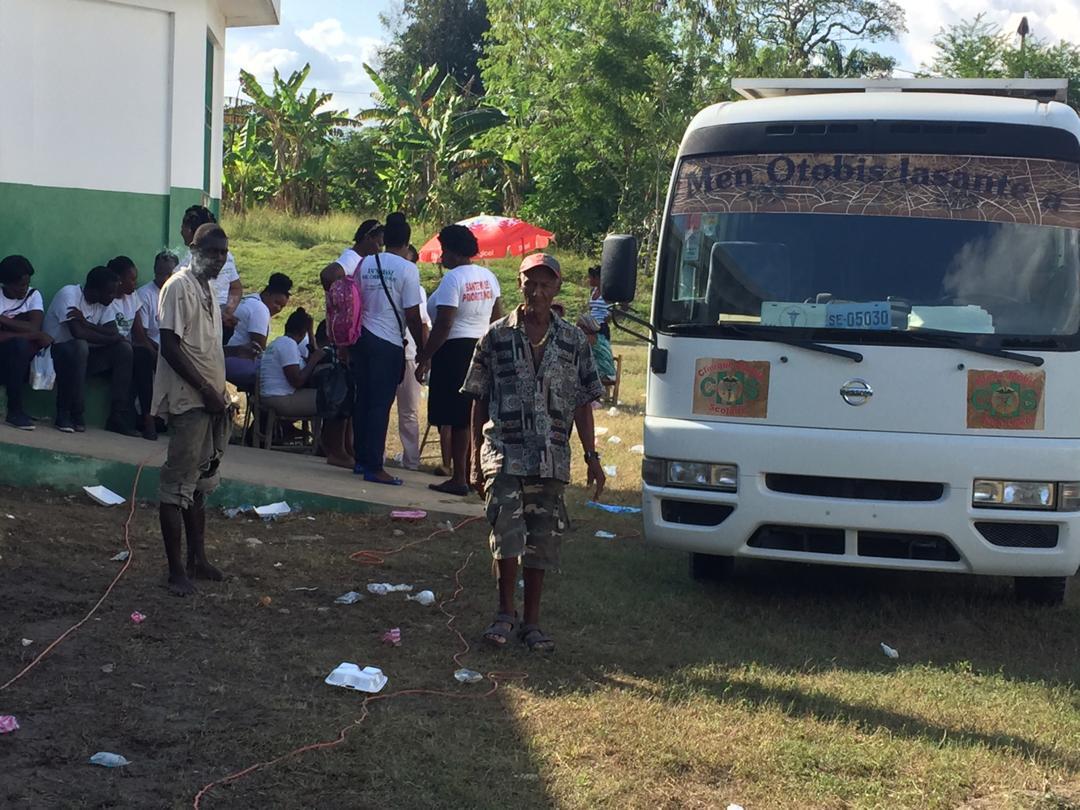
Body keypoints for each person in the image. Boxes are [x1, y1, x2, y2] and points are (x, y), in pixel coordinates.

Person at [463, 253, 606, 653]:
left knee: (542, 541)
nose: (538, 292)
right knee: (506, 532)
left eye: (546, 284)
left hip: (550, 457)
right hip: (503, 451)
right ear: (519, 284)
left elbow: (583, 403)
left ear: (557, 287)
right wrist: (474, 460)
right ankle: (504, 614)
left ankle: (532, 622)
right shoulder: (495, 337)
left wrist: (592, 457)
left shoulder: (573, 341)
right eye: (531, 283)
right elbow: (478, 398)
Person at [154, 223, 231, 596]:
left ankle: (197, 559)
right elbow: (170, 346)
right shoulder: (178, 286)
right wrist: (204, 389)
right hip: (190, 401)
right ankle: (175, 572)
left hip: (212, 401)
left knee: (199, 485)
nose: (218, 259)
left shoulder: (207, 288)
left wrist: (220, 394)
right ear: (194, 249)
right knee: (176, 487)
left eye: (223, 253)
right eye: (212, 252)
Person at [416, 225, 502, 495]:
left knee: (456, 418)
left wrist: (425, 356)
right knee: (473, 413)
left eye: (444, 251)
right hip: (482, 346)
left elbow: (444, 323)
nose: (442, 256)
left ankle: (459, 477)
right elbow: (497, 317)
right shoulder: (488, 277)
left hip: (454, 350)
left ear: (454, 252)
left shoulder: (453, 279)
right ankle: (473, 474)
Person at [351, 212, 425, 485]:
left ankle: (361, 459)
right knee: (380, 405)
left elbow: (355, 299)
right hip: (388, 342)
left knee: (363, 400)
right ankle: (375, 467)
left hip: (361, 338)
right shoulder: (408, 269)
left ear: (384, 239)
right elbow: (413, 316)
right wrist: (422, 350)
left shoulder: (366, 262)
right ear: (406, 242)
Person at [44, 266, 135, 435]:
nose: (113, 296)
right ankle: (72, 412)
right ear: (94, 290)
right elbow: (78, 333)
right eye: (110, 293)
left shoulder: (104, 303)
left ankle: (117, 415)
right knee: (80, 346)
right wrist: (110, 337)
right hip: (56, 355)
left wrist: (86, 323)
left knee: (124, 349)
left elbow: (113, 332)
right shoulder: (69, 295)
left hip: (83, 358)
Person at [259, 308, 353, 468]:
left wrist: (310, 334)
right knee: (337, 400)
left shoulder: (279, 342)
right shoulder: (288, 345)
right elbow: (297, 381)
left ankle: (337, 446)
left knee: (333, 397)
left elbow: (308, 358)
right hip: (282, 399)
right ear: (302, 332)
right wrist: (314, 359)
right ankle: (336, 449)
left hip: (273, 395)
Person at [0, 255, 51, 430]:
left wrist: (3, 321)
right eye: (21, 285)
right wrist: (33, 335)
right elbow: (34, 332)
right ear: (6, 283)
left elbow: (34, 326)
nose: (25, 289)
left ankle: (67, 415)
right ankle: (14, 411)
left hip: (24, 359)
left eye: (27, 283)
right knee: (19, 346)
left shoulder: (33, 295)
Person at [131, 251, 179, 439]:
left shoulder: (178, 295)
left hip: (172, 349)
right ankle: (148, 418)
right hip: (151, 348)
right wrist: (161, 352)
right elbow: (141, 335)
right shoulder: (145, 295)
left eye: (168, 274)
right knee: (148, 359)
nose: (164, 278)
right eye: (160, 273)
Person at [178, 205, 242, 335]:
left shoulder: (190, 261)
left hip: (202, 327)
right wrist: (225, 312)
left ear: (189, 230)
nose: (219, 258)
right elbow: (236, 288)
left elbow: (236, 287)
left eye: (182, 227)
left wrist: (224, 313)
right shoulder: (227, 256)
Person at [224, 272, 292, 388]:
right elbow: (259, 348)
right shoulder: (260, 308)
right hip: (233, 358)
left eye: (282, 307)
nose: (278, 308)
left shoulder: (247, 300)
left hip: (223, 355)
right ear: (267, 294)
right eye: (276, 303)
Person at [397, 244, 431, 471]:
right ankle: (378, 455)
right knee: (381, 407)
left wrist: (424, 355)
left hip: (410, 354)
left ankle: (411, 460)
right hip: (391, 351)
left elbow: (423, 323)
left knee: (408, 410)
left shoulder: (417, 290)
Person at [577, 313, 617, 383]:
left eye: (581, 327)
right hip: (611, 373)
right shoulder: (601, 337)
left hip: (603, 374)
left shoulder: (589, 339)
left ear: (587, 328)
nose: (578, 329)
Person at [587, 265, 610, 339]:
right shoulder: (593, 291)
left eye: (590, 277)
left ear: (596, 278)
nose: (589, 280)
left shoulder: (606, 292)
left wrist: (609, 316)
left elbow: (613, 307)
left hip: (601, 326)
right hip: (591, 326)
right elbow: (590, 308)